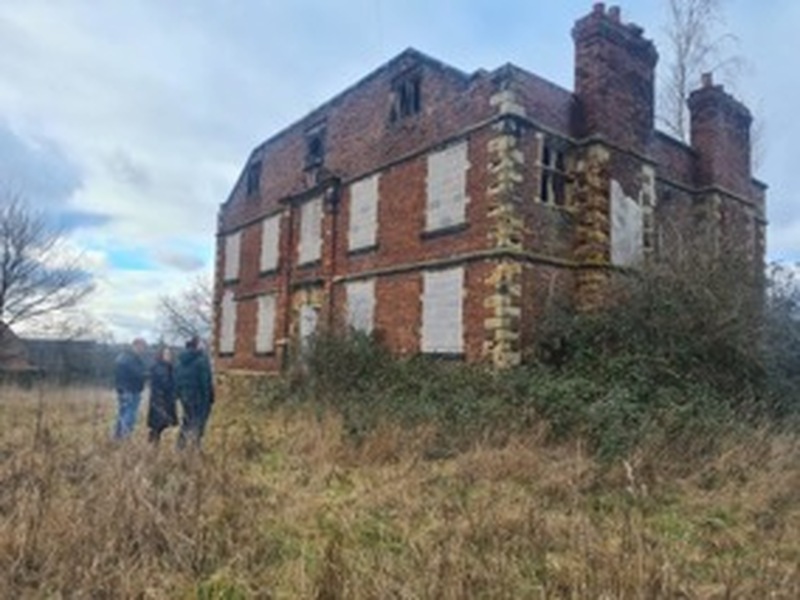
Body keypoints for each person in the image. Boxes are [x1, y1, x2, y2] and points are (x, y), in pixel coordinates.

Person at [175, 336, 214, 449]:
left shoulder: (180, 360)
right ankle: (195, 447)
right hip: (199, 397)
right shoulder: (202, 360)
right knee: (199, 421)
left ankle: (180, 445)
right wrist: (209, 398)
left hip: (185, 396)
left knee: (187, 420)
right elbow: (205, 381)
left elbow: (176, 379)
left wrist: (179, 394)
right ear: (197, 345)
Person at [113, 338, 147, 440]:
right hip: (130, 390)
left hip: (123, 389)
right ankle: (125, 437)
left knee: (122, 414)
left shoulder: (123, 357)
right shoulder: (130, 359)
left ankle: (117, 437)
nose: (143, 349)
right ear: (135, 346)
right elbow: (137, 373)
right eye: (142, 347)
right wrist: (148, 375)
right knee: (129, 415)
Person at [146, 346, 177, 444]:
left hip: (166, 399)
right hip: (160, 399)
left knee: (162, 424)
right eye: (166, 354)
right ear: (161, 355)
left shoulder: (168, 367)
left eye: (169, 354)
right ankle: (153, 443)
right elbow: (165, 383)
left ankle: (154, 443)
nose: (169, 356)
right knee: (158, 423)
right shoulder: (159, 367)